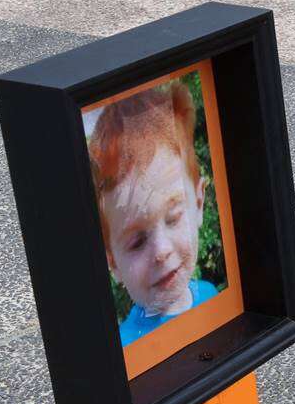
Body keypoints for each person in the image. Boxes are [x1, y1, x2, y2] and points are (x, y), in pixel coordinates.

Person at [90, 80, 218, 346]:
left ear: (198, 203)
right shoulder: (125, 349)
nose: (161, 250)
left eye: (172, 218)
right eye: (137, 241)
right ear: (113, 263)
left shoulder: (210, 295)